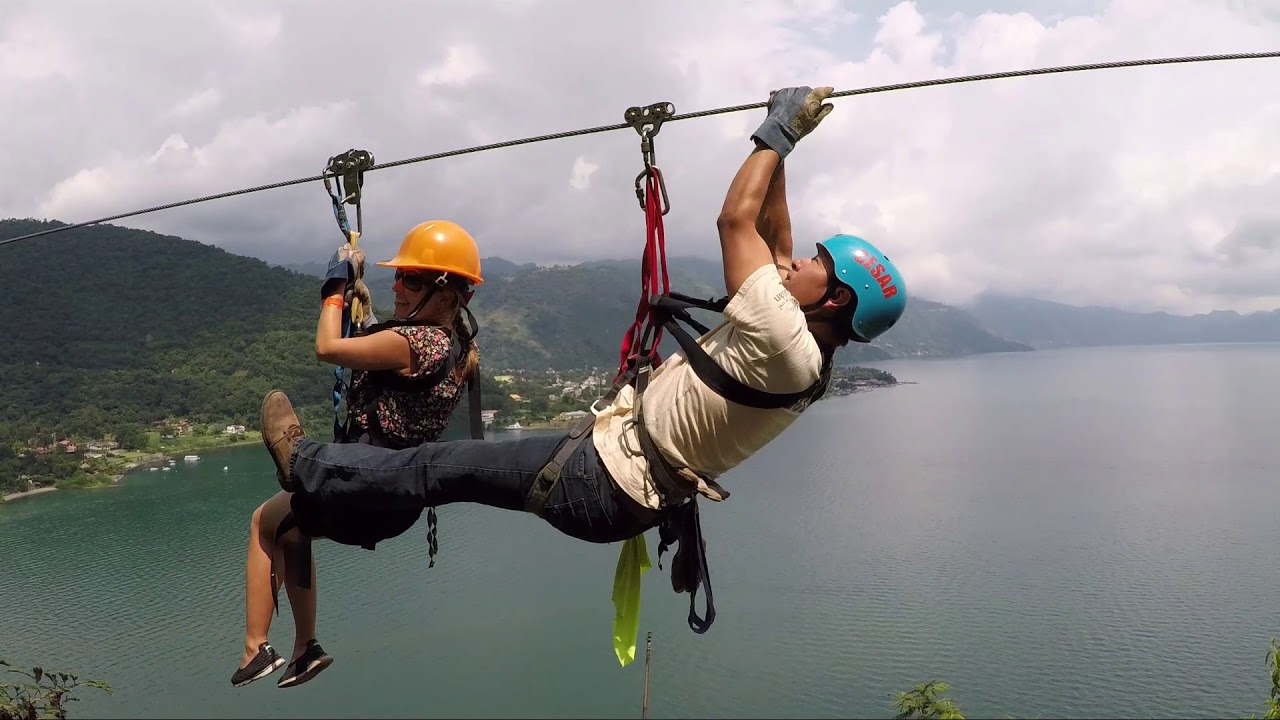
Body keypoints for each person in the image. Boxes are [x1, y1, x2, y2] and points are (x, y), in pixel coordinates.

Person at [254, 84, 908, 623]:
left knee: (438, 465)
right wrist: (783, 153)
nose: (797, 262)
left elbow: (737, 222)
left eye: (817, 264)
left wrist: (779, 133)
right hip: (614, 480)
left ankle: (305, 463)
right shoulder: (806, 354)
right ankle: (324, 478)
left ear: (835, 300)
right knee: (440, 469)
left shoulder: (784, 340)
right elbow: (774, 239)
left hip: (601, 478)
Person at [231, 219, 485, 690]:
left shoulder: (419, 342)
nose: (398, 287)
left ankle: (255, 647)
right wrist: (364, 310)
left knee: (261, 521)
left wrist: (335, 287)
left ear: (446, 293)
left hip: (363, 483)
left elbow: (328, 347)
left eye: (411, 280)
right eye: (399, 277)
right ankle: (305, 649)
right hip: (394, 497)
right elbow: (389, 364)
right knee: (292, 529)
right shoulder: (456, 346)